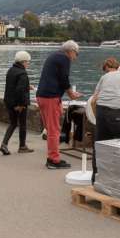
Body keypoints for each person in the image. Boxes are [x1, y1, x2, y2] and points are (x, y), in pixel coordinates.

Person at [36, 40, 82, 169]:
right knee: (54, 130)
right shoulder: (64, 58)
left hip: (43, 96)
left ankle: (53, 157)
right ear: (71, 51)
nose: (75, 57)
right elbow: (64, 79)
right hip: (50, 97)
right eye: (76, 54)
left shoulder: (54, 55)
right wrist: (72, 94)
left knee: (52, 129)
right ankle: (53, 160)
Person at [0, 51, 34, 155]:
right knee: (22, 124)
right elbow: (20, 91)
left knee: (13, 123)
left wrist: (27, 86)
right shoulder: (22, 73)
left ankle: (4, 144)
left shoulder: (11, 70)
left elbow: (12, 86)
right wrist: (21, 105)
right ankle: (22, 147)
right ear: (23, 61)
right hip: (18, 103)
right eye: (27, 62)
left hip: (9, 101)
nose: (28, 64)